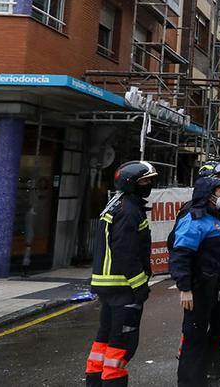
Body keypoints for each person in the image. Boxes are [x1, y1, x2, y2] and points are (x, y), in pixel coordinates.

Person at [86, 161, 157, 387]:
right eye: (145, 181)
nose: (149, 185)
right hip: (122, 287)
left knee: (104, 342)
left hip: (108, 286)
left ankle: (95, 383)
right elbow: (125, 251)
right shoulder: (128, 211)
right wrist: (139, 285)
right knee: (121, 346)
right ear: (131, 183)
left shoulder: (115, 204)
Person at [170, 176, 220, 386]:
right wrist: (184, 288)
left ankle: (202, 373)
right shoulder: (194, 219)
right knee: (194, 338)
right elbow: (181, 254)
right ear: (209, 196)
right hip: (199, 288)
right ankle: (189, 381)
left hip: (219, 286)